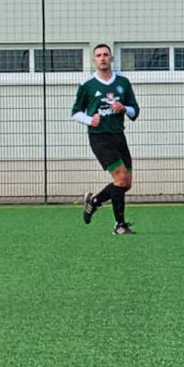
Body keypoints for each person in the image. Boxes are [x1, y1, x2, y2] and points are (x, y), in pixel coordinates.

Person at [73, 44, 139, 234]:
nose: (102, 58)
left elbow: (135, 110)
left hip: (118, 135)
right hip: (99, 137)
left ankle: (94, 202)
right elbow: (75, 112)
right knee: (120, 178)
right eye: (98, 55)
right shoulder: (87, 85)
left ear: (111, 58)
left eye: (105, 55)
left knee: (126, 183)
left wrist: (124, 108)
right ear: (94, 60)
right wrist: (89, 119)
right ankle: (119, 225)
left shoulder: (123, 83)